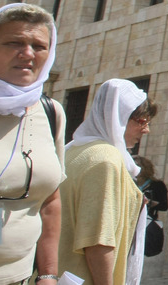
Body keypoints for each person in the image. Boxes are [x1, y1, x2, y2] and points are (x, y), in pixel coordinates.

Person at [59, 79, 156, 285]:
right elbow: (98, 240)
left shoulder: (74, 149)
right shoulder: (106, 160)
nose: (146, 130)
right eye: (141, 122)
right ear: (118, 117)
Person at [0, 3, 63, 285]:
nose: (27, 54)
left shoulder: (51, 113)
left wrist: (47, 274)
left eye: (39, 46)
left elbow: (50, 201)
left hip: (20, 277)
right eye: (15, 43)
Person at [133, 156, 168, 257]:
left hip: (146, 222)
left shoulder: (157, 185)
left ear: (146, 168)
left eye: (139, 166)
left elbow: (164, 206)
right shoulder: (130, 183)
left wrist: (150, 202)